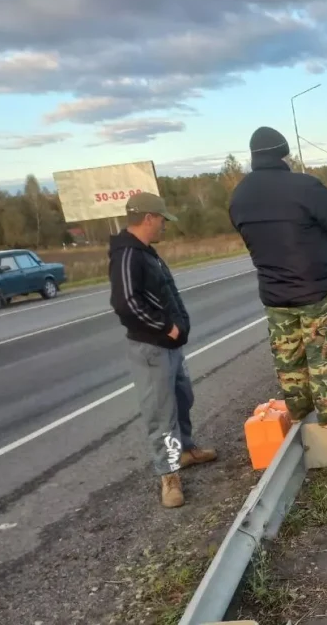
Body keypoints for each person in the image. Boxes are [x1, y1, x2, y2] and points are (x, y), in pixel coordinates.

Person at [229, 126, 327, 428]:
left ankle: (300, 412)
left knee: (288, 356)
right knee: (322, 353)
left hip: (274, 292)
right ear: (283, 153)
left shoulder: (239, 195)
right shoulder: (303, 186)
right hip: (314, 288)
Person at [109, 193, 216, 509]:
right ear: (148, 218)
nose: (164, 226)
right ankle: (168, 476)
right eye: (162, 219)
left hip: (171, 347)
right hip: (152, 349)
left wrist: (178, 327)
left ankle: (185, 450)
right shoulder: (127, 255)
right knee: (161, 414)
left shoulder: (146, 252)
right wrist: (165, 327)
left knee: (182, 399)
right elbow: (125, 304)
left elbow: (164, 293)